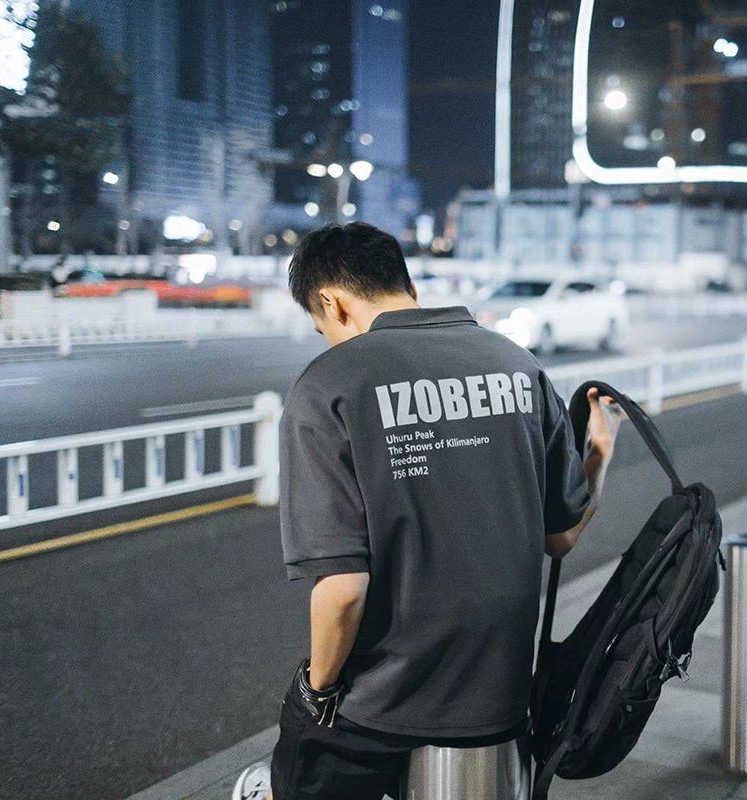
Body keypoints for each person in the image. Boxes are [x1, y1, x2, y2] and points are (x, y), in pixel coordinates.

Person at [234, 222, 622, 800]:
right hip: (502, 699)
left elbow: (343, 588)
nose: (329, 341)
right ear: (408, 286)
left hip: (381, 706)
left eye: (323, 329)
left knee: (288, 764)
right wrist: (599, 456)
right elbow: (561, 537)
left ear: (331, 303)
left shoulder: (329, 386)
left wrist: (317, 690)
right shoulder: (518, 365)